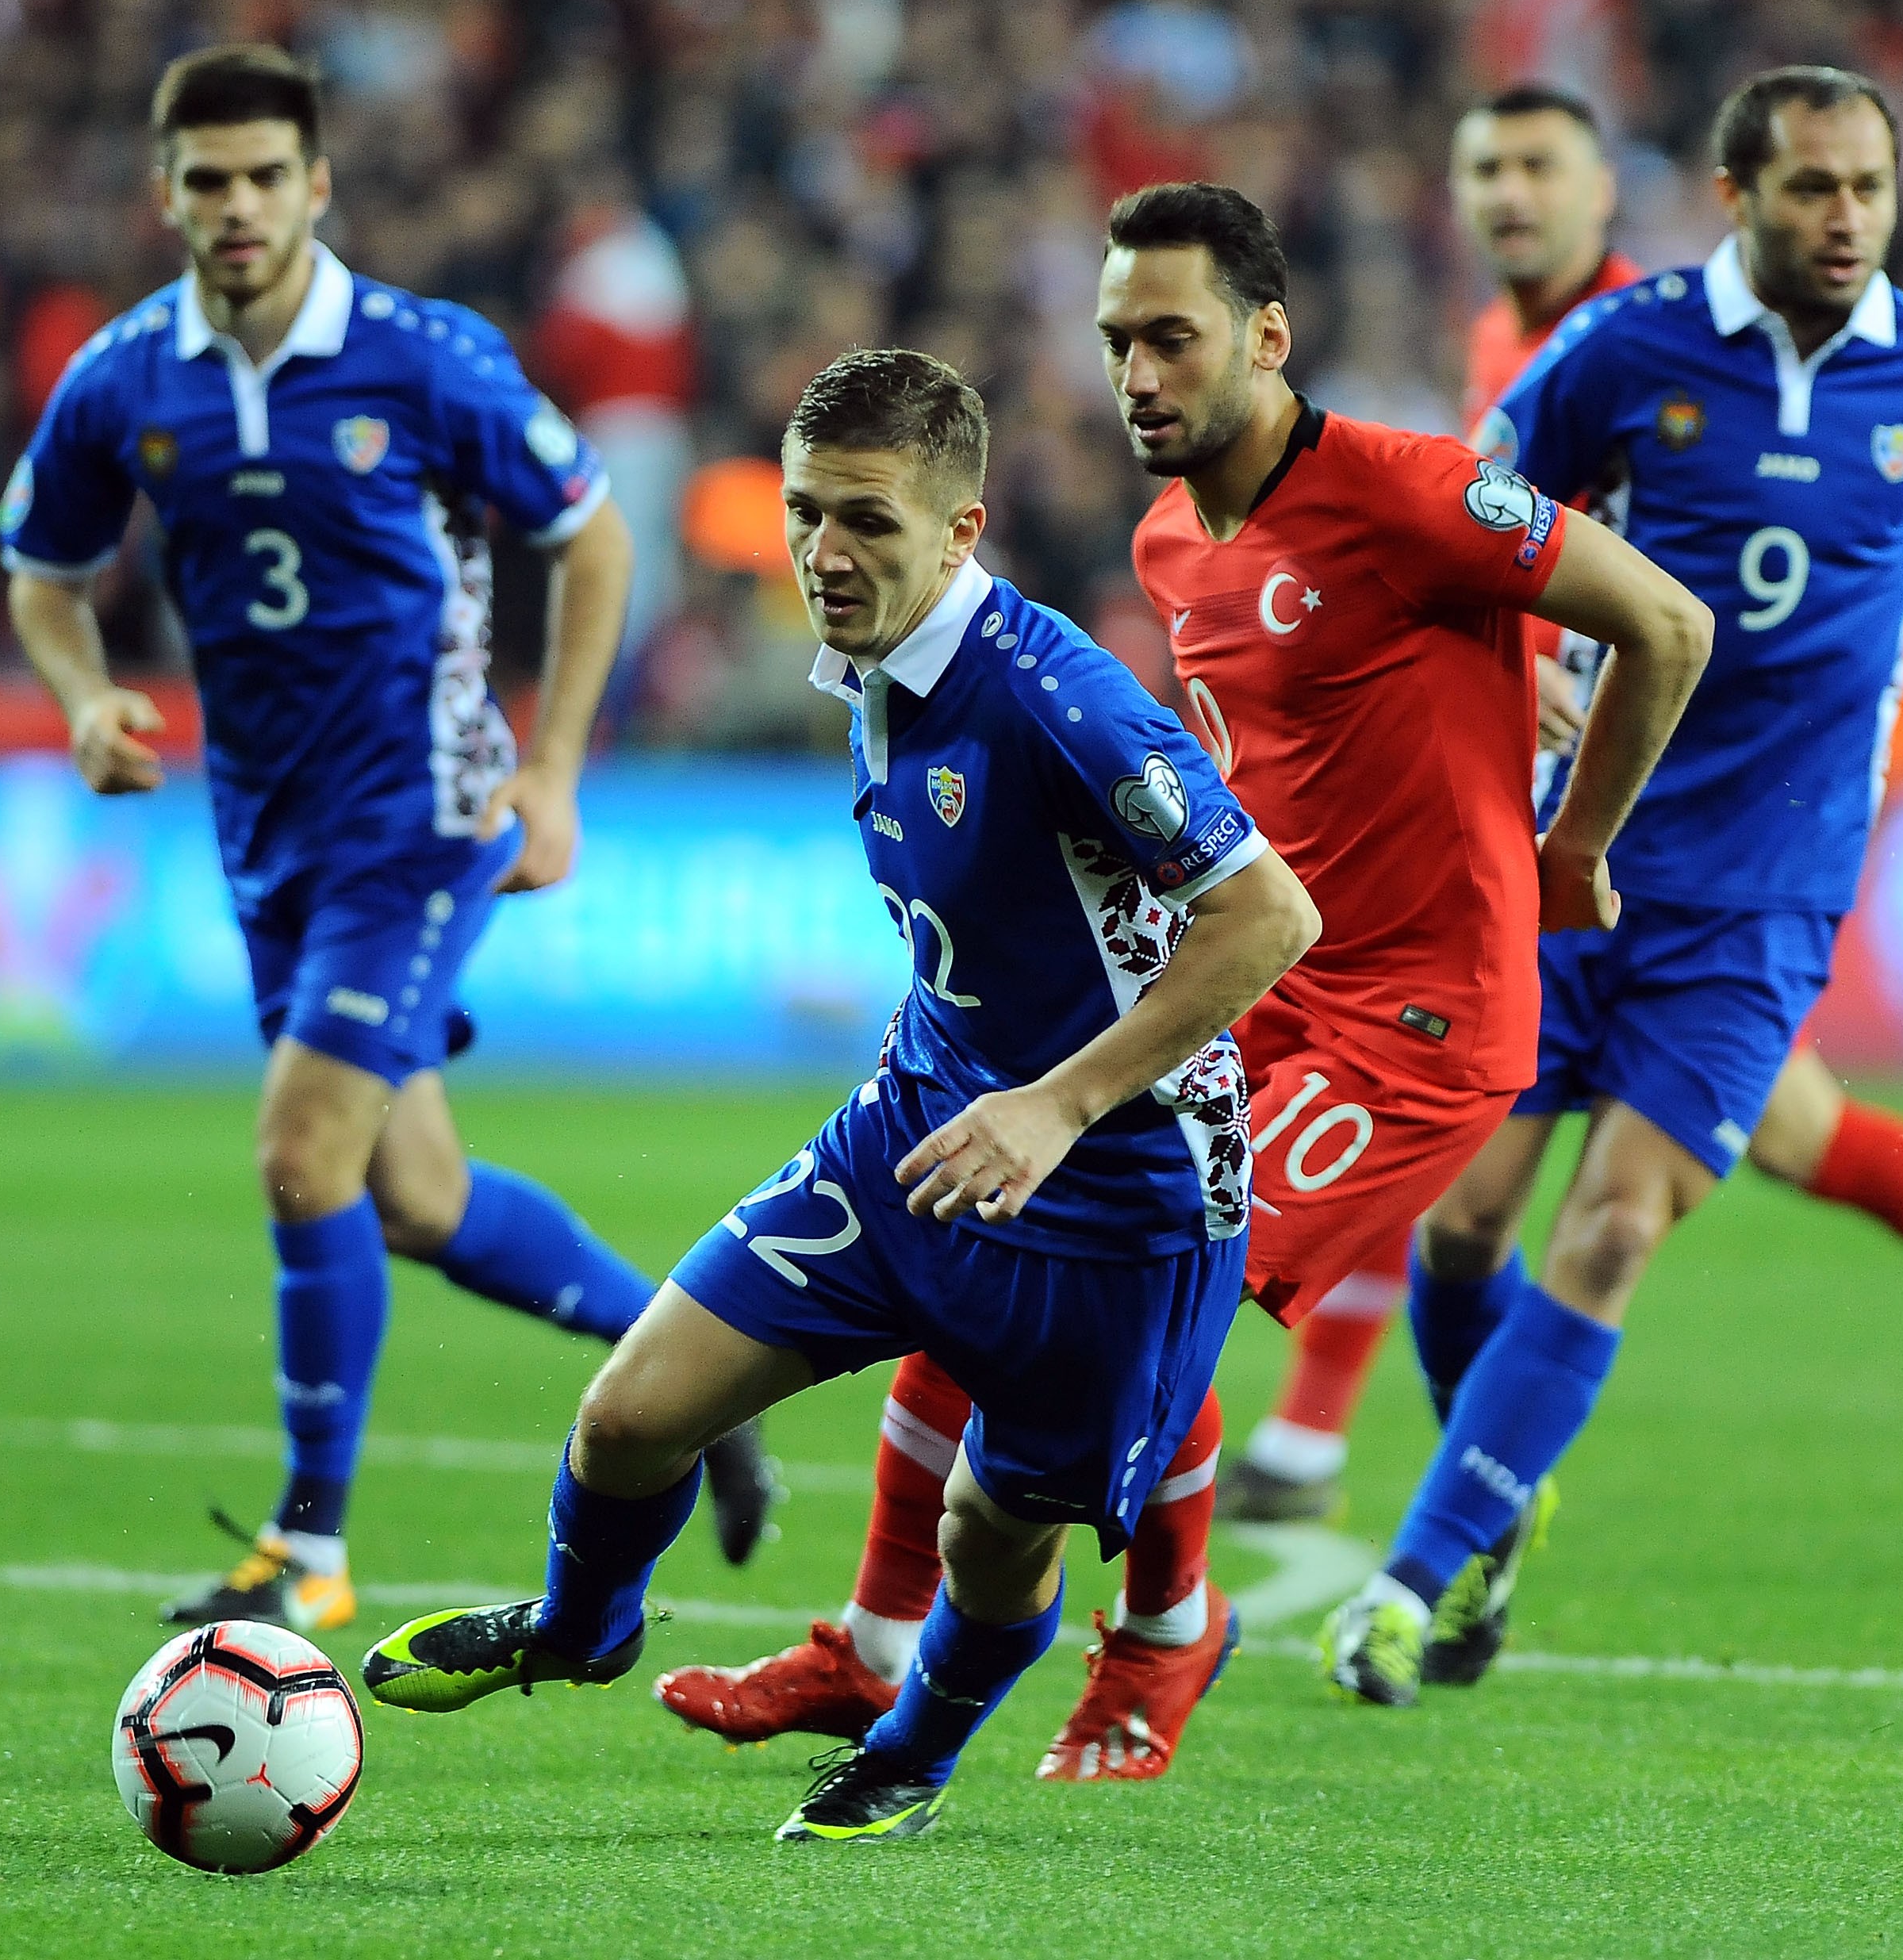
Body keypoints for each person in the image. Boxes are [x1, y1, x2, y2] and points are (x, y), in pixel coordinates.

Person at [649, 182, 1708, 1782]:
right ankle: (866, 1654)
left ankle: (1163, 1634)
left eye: (1169, 340)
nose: (1135, 375)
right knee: (979, 1236)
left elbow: (1665, 624)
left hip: (1417, 1023)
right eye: (1113, 342)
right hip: (1263, 987)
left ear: (1266, 339)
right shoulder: (1165, 538)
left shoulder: (1416, 493)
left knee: (1142, 1293)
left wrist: (1574, 843)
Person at [359, 347, 1326, 1844]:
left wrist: (1057, 1103)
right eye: (809, 512)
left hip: (1118, 1202)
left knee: (992, 1541)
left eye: (870, 520)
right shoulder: (873, 669)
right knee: (628, 1417)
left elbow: (1267, 917)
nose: (826, 551)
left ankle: (915, 1751)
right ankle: (578, 1627)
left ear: (961, 529)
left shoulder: (1058, 696)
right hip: (919, 1134)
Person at [1316, 67, 1903, 1709]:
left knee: (1612, 1226)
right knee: (1457, 1229)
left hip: (1764, 894)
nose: (1844, 216)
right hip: (1571, 861)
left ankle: (1412, 1579)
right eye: (1810, 189)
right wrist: (1523, 673)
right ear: (1734, 195)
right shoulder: (1620, 355)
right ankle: (1497, 1503)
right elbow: (1459, 531)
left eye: (1867, 185)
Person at [0, 44, 771, 1637]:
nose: (234, 207)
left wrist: (552, 773)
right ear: (165, 194)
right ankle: (706, 1373)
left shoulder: (427, 361)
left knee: (301, 1151)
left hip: (422, 818)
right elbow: (41, 568)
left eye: (263, 176)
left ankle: (307, 1543)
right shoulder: (127, 377)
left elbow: (594, 534)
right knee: (412, 1197)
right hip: (262, 833)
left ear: (316, 185)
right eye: (204, 180)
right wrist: (82, 697)